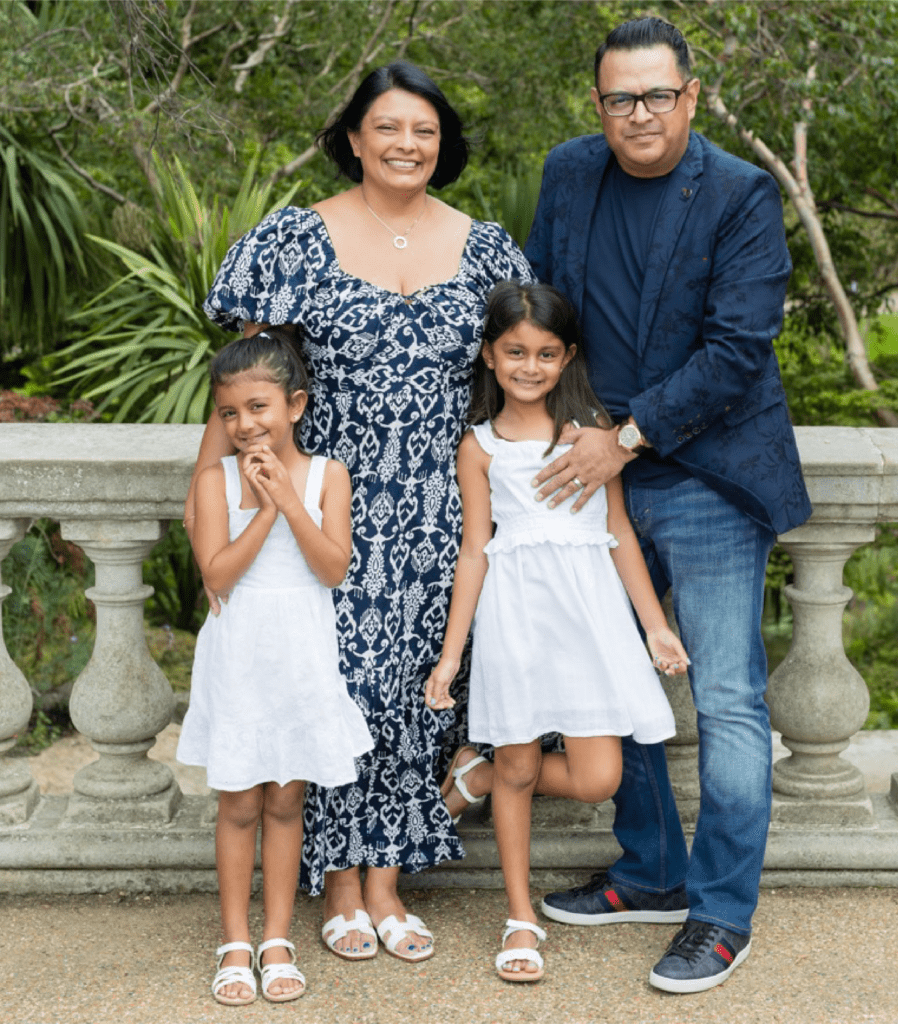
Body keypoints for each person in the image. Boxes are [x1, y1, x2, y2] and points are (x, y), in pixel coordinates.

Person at [191, 61, 534, 964]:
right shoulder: (294, 243)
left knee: (421, 693)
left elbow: (521, 376)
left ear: (442, 144)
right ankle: (338, 885)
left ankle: (387, 882)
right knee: (333, 691)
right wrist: (211, 508)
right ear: (353, 137)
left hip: (438, 509)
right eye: (386, 127)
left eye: (422, 130)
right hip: (326, 509)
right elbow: (238, 384)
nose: (405, 145)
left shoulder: (487, 248)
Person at [522, 16, 812, 994]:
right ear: (596, 103)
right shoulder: (569, 173)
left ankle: (721, 914)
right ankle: (650, 871)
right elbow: (539, 311)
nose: (637, 113)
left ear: (689, 96)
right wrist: (552, 427)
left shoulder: (738, 193)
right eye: (618, 97)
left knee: (726, 696)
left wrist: (626, 438)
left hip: (706, 473)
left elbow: (737, 351)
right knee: (611, 676)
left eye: (655, 95)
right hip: (586, 475)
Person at [424, 281, 689, 984]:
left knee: (600, 775)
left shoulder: (591, 435)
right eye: (515, 352)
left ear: (567, 357)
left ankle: (474, 770)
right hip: (516, 617)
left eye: (545, 353)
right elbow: (474, 550)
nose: (530, 366)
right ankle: (519, 917)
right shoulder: (477, 447)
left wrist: (654, 627)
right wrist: (452, 654)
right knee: (517, 767)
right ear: (489, 356)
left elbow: (619, 535)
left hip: (591, 623)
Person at [177, 330, 372, 1005]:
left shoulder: (329, 476)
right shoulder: (213, 481)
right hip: (239, 654)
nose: (243, 425)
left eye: (257, 407)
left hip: (302, 653)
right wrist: (260, 511)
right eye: (229, 413)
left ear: (294, 404)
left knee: (287, 800)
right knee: (238, 802)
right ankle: (235, 940)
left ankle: (278, 937)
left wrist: (289, 498)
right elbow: (219, 575)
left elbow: (333, 567)